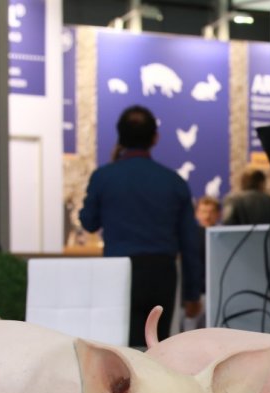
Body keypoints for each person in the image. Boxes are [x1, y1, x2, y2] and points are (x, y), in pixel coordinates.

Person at [80, 105, 203, 347]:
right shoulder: (174, 182)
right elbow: (190, 243)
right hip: (161, 272)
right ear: (155, 138)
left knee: (118, 345)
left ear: (119, 137)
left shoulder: (103, 177)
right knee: (157, 346)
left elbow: (89, 222)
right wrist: (192, 294)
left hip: (117, 271)